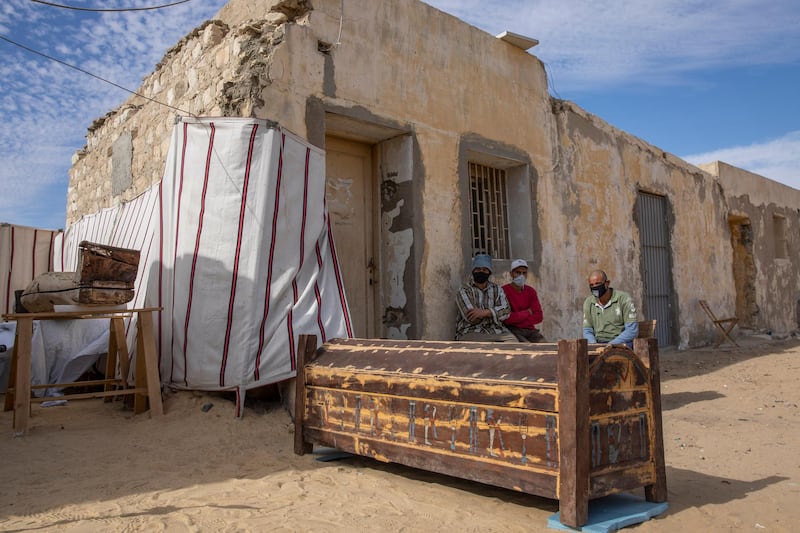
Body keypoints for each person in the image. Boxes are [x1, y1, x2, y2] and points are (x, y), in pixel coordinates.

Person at [455, 254, 517, 342]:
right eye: (478, 269)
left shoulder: (497, 289)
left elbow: (506, 311)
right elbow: (472, 318)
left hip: (497, 332)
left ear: (489, 272)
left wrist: (485, 312)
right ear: (473, 271)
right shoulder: (464, 290)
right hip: (471, 332)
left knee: (514, 342)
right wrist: (494, 313)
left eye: (484, 269)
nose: (481, 272)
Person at [582, 269, 639, 348]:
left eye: (598, 283)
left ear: (607, 283)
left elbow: (632, 331)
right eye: (592, 285)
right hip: (598, 344)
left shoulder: (624, 299)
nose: (595, 287)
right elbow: (587, 330)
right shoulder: (588, 302)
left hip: (620, 343)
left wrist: (611, 345)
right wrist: (593, 345)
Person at [501, 259, 545, 342]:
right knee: (526, 348)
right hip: (513, 330)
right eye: (517, 272)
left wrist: (517, 319)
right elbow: (506, 318)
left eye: (524, 273)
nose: (521, 276)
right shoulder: (503, 291)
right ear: (511, 274)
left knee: (546, 347)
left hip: (531, 331)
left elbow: (539, 316)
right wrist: (528, 312)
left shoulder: (531, 291)